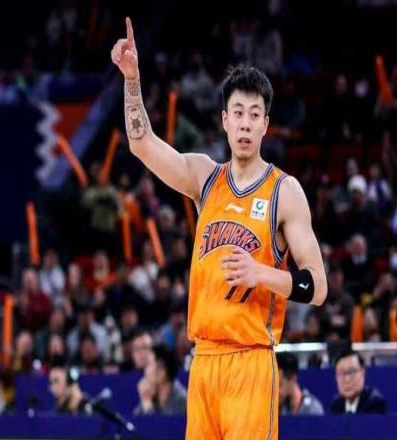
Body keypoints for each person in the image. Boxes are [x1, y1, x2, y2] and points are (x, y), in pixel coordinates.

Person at [111, 18, 327, 440]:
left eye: (255, 115)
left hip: (251, 360)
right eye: (238, 114)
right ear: (224, 120)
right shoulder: (204, 177)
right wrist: (132, 80)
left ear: (265, 124)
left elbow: (317, 287)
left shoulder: (285, 192)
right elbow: (141, 143)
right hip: (204, 360)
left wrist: (261, 273)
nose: (245, 124)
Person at [331, 349, 387, 414]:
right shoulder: (336, 405)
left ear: (362, 373)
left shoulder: (374, 402)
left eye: (352, 372)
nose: (347, 379)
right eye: (342, 373)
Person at [134, 345, 187, 415]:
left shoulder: (183, 402)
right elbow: (135, 420)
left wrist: (147, 403)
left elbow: (159, 422)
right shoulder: (150, 395)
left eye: (148, 365)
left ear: (162, 373)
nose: (145, 371)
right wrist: (145, 400)